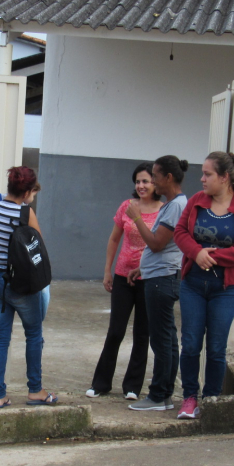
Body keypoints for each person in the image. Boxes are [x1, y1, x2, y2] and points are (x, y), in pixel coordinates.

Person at [172, 152, 234, 420]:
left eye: (208, 174)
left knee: (216, 347)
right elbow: (180, 232)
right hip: (193, 285)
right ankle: (189, 398)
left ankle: (211, 399)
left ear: (224, 178)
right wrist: (196, 252)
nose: (202, 179)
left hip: (226, 288)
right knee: (190, 344)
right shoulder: (198, 201)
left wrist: (213, 256)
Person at [86, 162, 162, 400]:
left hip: (149, 278)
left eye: (146, 181)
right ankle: (101, 383)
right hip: (122, 276)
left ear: (156, 184)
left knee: (142, 333)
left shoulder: (164, 210)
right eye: (138, 181)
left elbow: (162, 246)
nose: (141, 185)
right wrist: (107, 271)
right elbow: (113, 240)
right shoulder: (127, 207)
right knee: (116, 331)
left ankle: (132, 386)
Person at [0, 167, 56, 408]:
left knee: (1, 338)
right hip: (22, 284)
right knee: (34, 334)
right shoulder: (26, 213)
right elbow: (38, 247)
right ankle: (35, 390)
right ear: (26, 191)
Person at [125, 155, 189, 412]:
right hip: (159, 275)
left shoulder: (175, 206)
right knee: (167, 338)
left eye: (155, 176)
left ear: (168, 178)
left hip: (162, 280)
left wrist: (137, 217)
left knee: (161, 339)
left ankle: (159, 395)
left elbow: (157, 243)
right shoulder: (175, 204)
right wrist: (143, 267)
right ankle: (163, 394)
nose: (152, 181)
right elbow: (168, 247)